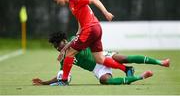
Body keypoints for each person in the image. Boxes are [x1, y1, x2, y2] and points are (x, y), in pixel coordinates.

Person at [50, 0, 134, 85]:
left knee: (70, 53)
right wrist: (78, 32)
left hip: (90, 29)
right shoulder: (72, 4)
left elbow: (95, 0)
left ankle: (63, 81)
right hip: (93, 29)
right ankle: (126, 69)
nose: (57, 3)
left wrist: (106, 13)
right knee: (99, 59)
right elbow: (80, 19)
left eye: (56, 0)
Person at [32, 32, 170, 85]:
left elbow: (80, 38)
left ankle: (160, 62)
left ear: (64, 40)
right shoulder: (64, 58)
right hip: (97, 69)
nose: (57, 48)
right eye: (55, 47)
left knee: (124, 58)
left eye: (58, 44)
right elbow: (63, 76)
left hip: (102, 55)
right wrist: (45, 82)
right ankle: (141, 76)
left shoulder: (74, 40)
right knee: (105, 81)